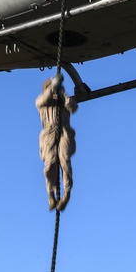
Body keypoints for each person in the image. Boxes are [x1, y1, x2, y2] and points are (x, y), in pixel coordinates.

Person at [36, 73, 77, 212]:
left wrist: (63, 94)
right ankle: (51, 193)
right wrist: (54, 86)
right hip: (49, 135)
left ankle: (67, 193)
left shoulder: (63, 99)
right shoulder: (41, 100)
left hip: (64, 132)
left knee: (64, 160)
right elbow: (45, 99)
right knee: (50, 165)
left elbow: (73, 107)